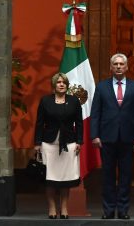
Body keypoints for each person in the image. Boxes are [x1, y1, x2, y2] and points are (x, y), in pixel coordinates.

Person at [90, 53, 134, 220]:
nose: (119, 66)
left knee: (125, 176)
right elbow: (95, 113)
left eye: (122, 64)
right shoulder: (101, 87)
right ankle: (108, 210)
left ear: (127, 67)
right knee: (107, 176)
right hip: (106, 138)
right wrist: (95, 135)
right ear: (111, 67)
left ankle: (123, 210)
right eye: (115, 64)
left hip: (129, 138)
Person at [34, 72, 83, 219]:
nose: (61, 84)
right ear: (54, 85)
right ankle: (52, 208)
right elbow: (39, 123)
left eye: (64, 82)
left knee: (65, 178)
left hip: (68, 143)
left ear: (67, 85)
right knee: (50, 178)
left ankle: (64, 208)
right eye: (58, 82)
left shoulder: (74, 101)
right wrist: (37, 143)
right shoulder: (45, 101)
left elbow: (79, 124)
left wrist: (80, 141)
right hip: (49, 144)